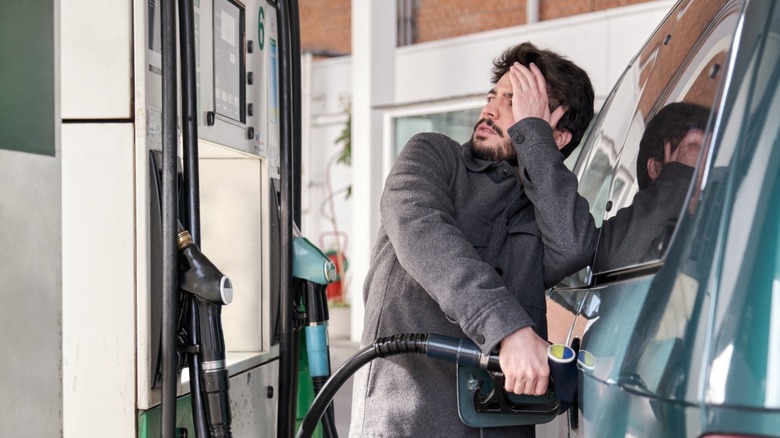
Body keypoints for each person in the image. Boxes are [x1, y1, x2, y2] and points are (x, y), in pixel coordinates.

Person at [349, 42, 597, 438]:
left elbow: (573, 246)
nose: (490, 110)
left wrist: (534, 138)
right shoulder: (433, 154)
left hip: (503, 425)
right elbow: (420, 228)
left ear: (557, 136)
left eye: (514, 102)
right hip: (410, 421)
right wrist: (508, 328)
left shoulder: (545, 210)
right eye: (492, 96)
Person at [595, 101, 709, 272]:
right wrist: (676, 179)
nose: (705, 175)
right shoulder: (646, 242)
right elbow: (614, 263)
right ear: (656, 168)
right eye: (694, 156)